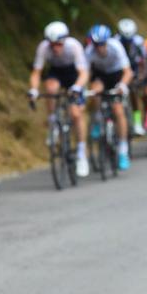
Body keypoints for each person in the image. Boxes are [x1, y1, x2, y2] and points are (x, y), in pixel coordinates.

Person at [28, 21, 91, 177]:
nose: (55, 48)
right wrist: (34, 90)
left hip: (74, 75)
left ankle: (82, 153)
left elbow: (83, 73)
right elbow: (37, 72)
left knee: (76, 114)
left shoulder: (74, 46)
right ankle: (53, 122)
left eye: (59, 44)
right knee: (50, 89)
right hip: (56, 73)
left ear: (65, 40)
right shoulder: (43, 47)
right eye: (52, 44)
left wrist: (77, 87)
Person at [85, 24, 133, 170]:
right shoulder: (89, 52)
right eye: (96, 45)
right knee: (95, 91)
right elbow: (85, 73)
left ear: (107, 41)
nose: (99, 48)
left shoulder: (116, 46)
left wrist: (123, 86)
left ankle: (123, 151)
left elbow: (128, 72)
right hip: (101, 76)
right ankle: (98, 119)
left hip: (117, 75)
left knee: (118, 110)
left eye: (102, 44)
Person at [116, 18, 147, 136]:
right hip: (119, 71)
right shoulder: (115, 41)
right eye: (126, 39)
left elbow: (144, 61)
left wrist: (141, 76)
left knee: (134, 93)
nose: (128, 42)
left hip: (133, 70)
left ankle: (137, 123)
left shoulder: (139, 42)